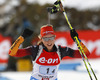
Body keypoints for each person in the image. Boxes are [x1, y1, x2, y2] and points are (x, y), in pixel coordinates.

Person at [9, 24, 90, 80]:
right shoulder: (36, 50)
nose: (49, 41)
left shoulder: (61, 51)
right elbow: (12, 52)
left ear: (55, 38)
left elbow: (85, 54)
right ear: (41, 39)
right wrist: (22, 37)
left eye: (51, 38)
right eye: (45, 39)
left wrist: (77, 40)